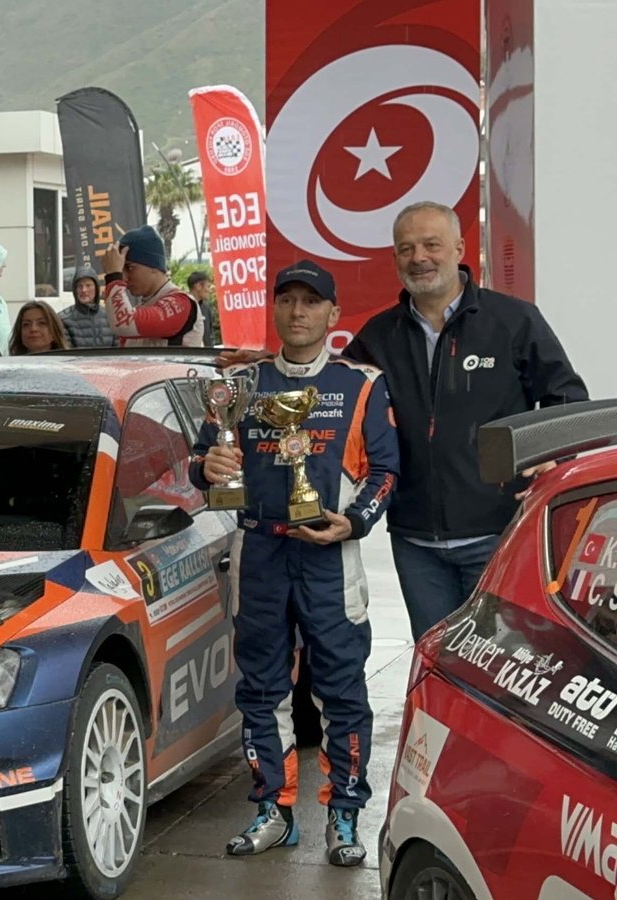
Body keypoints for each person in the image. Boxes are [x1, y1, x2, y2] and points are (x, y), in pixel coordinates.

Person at [191, 260, 397, 868]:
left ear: (333, 314)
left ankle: (343, 815)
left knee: (342, 691)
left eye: (312, 301)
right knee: (260, 690)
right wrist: (208, 468)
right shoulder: (240, 383)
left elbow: (386, 472)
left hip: (331, 556)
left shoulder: (362, 383)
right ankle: (273, 813)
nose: (298, 311)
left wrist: (354, 522)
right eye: (288, 300)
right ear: (275, 309)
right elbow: (202, 464)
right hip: (259, 551)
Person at [341, 201, 587, 640]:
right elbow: (336, 400)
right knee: (438, 662)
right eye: (406, 248)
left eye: (431, 245)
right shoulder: (377, 337)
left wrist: (553, 457)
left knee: (502, 662)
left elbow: (567, 396)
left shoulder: (513, 321)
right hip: (415, 543)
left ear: (459, 249)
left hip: (500, 534)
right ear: (395, 258)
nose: (419, 257)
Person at [100, 225, 206, 347]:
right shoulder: (140, 310)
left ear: (154, 267)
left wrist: (113, 275)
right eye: (121, 270)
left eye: (129, 267)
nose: (124, 278)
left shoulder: (181, 302)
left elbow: (123, 324)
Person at [59, 273, 114, 350]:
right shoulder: (63, 318)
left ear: (96, 289)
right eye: (79, 286)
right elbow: (66, 351)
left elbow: (117, 348)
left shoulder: (110, 316)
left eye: (88, 285)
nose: (84, 290)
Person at [188, 270, 217, 347]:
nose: (209, 290)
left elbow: (209, 333)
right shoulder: (184, 308)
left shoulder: (206, 308)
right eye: (208, 286)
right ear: (198, 286)